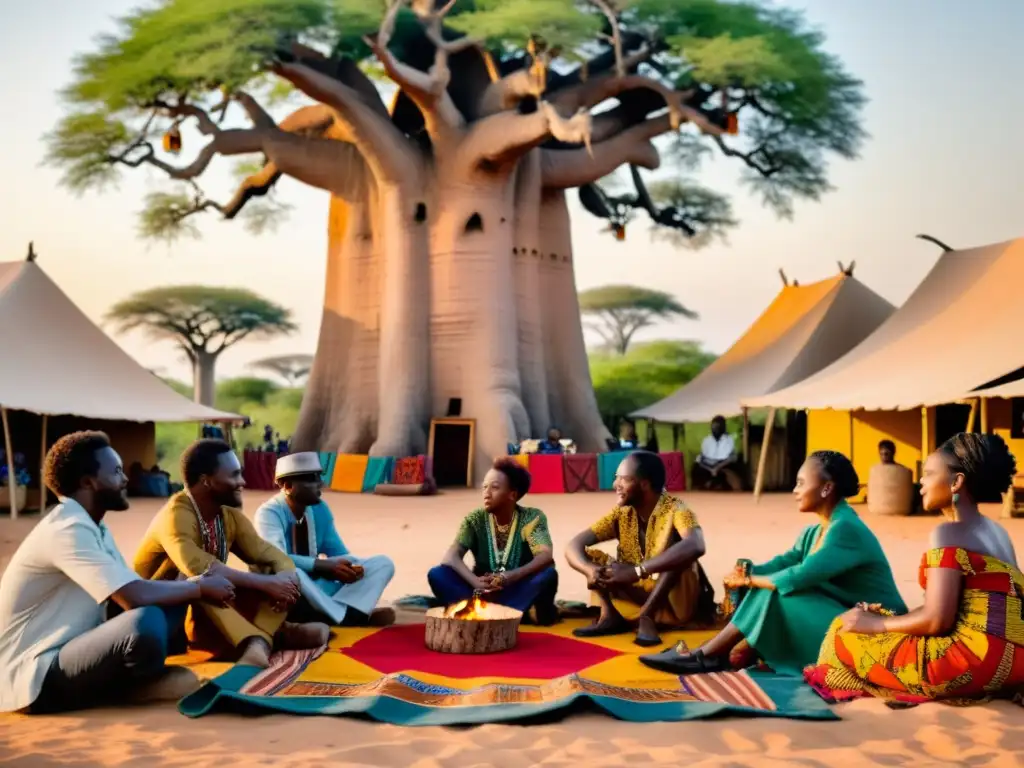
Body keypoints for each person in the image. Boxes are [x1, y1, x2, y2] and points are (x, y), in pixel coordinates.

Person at [0, 431, 235, 714]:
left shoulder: (95, 527)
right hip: (35, 675)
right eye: (116, 472)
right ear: (89, 482)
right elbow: (133, 598)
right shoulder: (66, 530)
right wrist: (198, 587)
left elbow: (122, 598)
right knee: (144, 620)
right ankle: (133, 687)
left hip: (77, 648)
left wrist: (188, 585)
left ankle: (137, 680)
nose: (126, 479)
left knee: (172, 589)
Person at [640, 450, 906, 675]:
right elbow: (785, 562)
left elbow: (797, 577)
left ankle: (707, 655)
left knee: (773, 593)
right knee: (765, 587)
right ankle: (714, 653)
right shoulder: (816, 531)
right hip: (846, 616)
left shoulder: (845, 528)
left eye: (801, 483)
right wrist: (746, 571)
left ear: (826, 488)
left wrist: (749, 580)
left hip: (877, 632)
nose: (795, 490)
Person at [805, 433, 1024, 705]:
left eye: (929, 474)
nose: (921, 482)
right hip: (1015, 665)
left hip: (969, 664)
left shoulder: (947, 533)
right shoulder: (999, 533)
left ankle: (888, 687)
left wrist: (876, 624)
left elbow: (936, 620)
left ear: (956, 482)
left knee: (842, 634)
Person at [133, 439, 328, 669]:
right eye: (234, 475)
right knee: (204, 579)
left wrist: (285, 577)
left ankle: (271, 636)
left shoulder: (227, 516)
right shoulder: (176, 515)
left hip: (202, 616)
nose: (242, 482)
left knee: (268, 570)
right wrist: (267, 585)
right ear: (206, 481)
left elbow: (268, 553)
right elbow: (198, 568)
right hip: (157, 620)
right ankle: (257, 640)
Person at [565, 451, 714, 646]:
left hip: (673, 603)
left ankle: (648, 616)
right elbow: (574, 545)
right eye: (615, 478)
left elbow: (696, 545)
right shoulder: (621, 513)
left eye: (623, 479)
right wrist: (589, 570)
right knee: (587, 557)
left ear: (644, 483)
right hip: (638, 593)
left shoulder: (676, 509)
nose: (615, 485)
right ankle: (609, 615)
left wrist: (637, 571)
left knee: (680, 549)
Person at [255, 452, 396, 627]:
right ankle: (348, 617)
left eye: (319, 477)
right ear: (289, 485)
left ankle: (335, 614)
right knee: (293, 573)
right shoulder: (269, 513)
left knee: (382, 564)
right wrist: (322, 565)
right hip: (286, 590)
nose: (320, 484)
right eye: (311, 479)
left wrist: (349, 569)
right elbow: (277, 558)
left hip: (319, 590)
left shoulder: (320, 509)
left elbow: (339, 553)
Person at [428, 458, 558, 624]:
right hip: (480, 592)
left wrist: (508, 577)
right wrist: (475, 582)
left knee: (547, 575)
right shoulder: (475, 520)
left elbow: (545, 556)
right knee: (438, 573)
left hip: (516, 588)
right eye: (484, 487)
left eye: (495, 487)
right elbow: (451, 557)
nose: (486, 493)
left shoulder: (532, 518)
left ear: (513, 494)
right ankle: (507, 613)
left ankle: (499, 613)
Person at [691, 415, 743, 491]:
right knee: (696, 467)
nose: (715, 428)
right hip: (708, 465)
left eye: (718, 426)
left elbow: (731, 458)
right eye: (713, 426)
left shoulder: (729, 439)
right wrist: (710, 468)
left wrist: (717, 467)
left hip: (723, 464)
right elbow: (702, 458)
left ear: (723, 427)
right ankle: (701, 487)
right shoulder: (707, 440)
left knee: (736, 466)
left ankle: (730, 487)